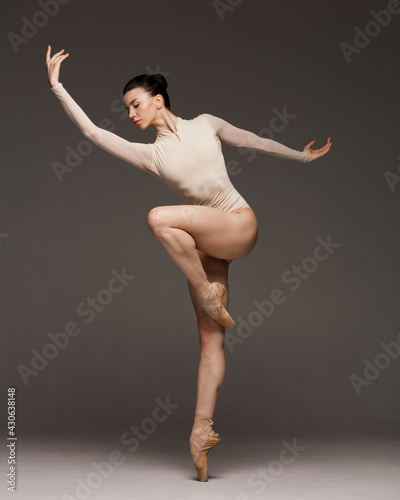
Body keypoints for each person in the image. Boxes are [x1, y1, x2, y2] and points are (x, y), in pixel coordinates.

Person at [45, 45, 332, 482]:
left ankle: (204, 290)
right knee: (210, 341)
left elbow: (252, 140)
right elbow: (93, 135)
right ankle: (201, 433)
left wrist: (302, 155)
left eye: (135, 104)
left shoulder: (205, 125)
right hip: (204, 248)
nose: (130, 114)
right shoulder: (151, 155)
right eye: (126, 109)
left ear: (158, 99)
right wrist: (58, 88)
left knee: (159, 217)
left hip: (237, 223)